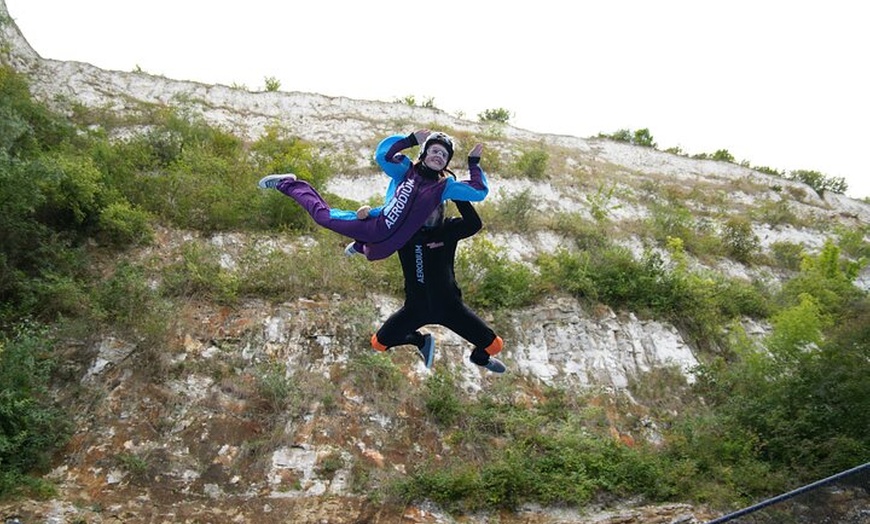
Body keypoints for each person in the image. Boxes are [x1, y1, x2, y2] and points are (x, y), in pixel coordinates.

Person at [257, 130, 488, 261]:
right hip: (374, 225)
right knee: (323, 217)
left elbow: (478, 191)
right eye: (435, 150)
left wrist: (473, 163)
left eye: (444, 155)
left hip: (394, 241)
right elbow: (382, 155)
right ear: (424, 153)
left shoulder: (444, 187)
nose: (438, 156)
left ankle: (360, 246)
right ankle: (288, 183)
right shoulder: (405, 170)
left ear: (446, 163)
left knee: (372, 255)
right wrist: (409, 140)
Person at [364, 198, 506, 373]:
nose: (431, 217)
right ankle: (420, 341)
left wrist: (458, 195)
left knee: (495, 346)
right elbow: (373, 234)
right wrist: (365, 218)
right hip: (415, 309)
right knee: (378, 344)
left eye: (436, 211)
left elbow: (474, 224)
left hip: (451, 308)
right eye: (425, 212)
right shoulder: (403, 232)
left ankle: (479, 358)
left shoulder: (448, 229)